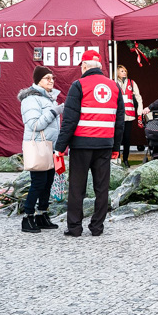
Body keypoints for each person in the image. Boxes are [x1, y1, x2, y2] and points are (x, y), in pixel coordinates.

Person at [54, 50, 124, 237]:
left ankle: (75, 228)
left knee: (77, 187)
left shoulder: (78, 85)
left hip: (82, 144)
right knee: (102, 188)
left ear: (84, 66)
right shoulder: (115, 87)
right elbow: (119, 122)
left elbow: (69, 120)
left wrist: (60, 148)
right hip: (105, 145)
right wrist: (116, 147)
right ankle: (97, 227)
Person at [17, 66, 64, 233]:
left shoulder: (49, 98)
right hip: (38, 146)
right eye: (47, 78)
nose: (51, 80)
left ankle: (42, 214)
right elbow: (34, 124)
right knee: (38, 183)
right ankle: (27, 217)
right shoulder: (30, 99)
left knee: (48, 183)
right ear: (38, 80)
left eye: (52, 77)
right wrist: (54, 111)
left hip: (50, 147)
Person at [114, 65, 142, 168]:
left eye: (125, 71)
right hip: (118, 116)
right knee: (117, 138)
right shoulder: (114, 83)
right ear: (117, 73)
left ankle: (125, 159)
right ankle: (116, 158)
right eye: (122, 71)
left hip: (129, 116)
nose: (124, 72)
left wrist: (140, 113)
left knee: (127, 138)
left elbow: (139, 98)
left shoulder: (132, 83)